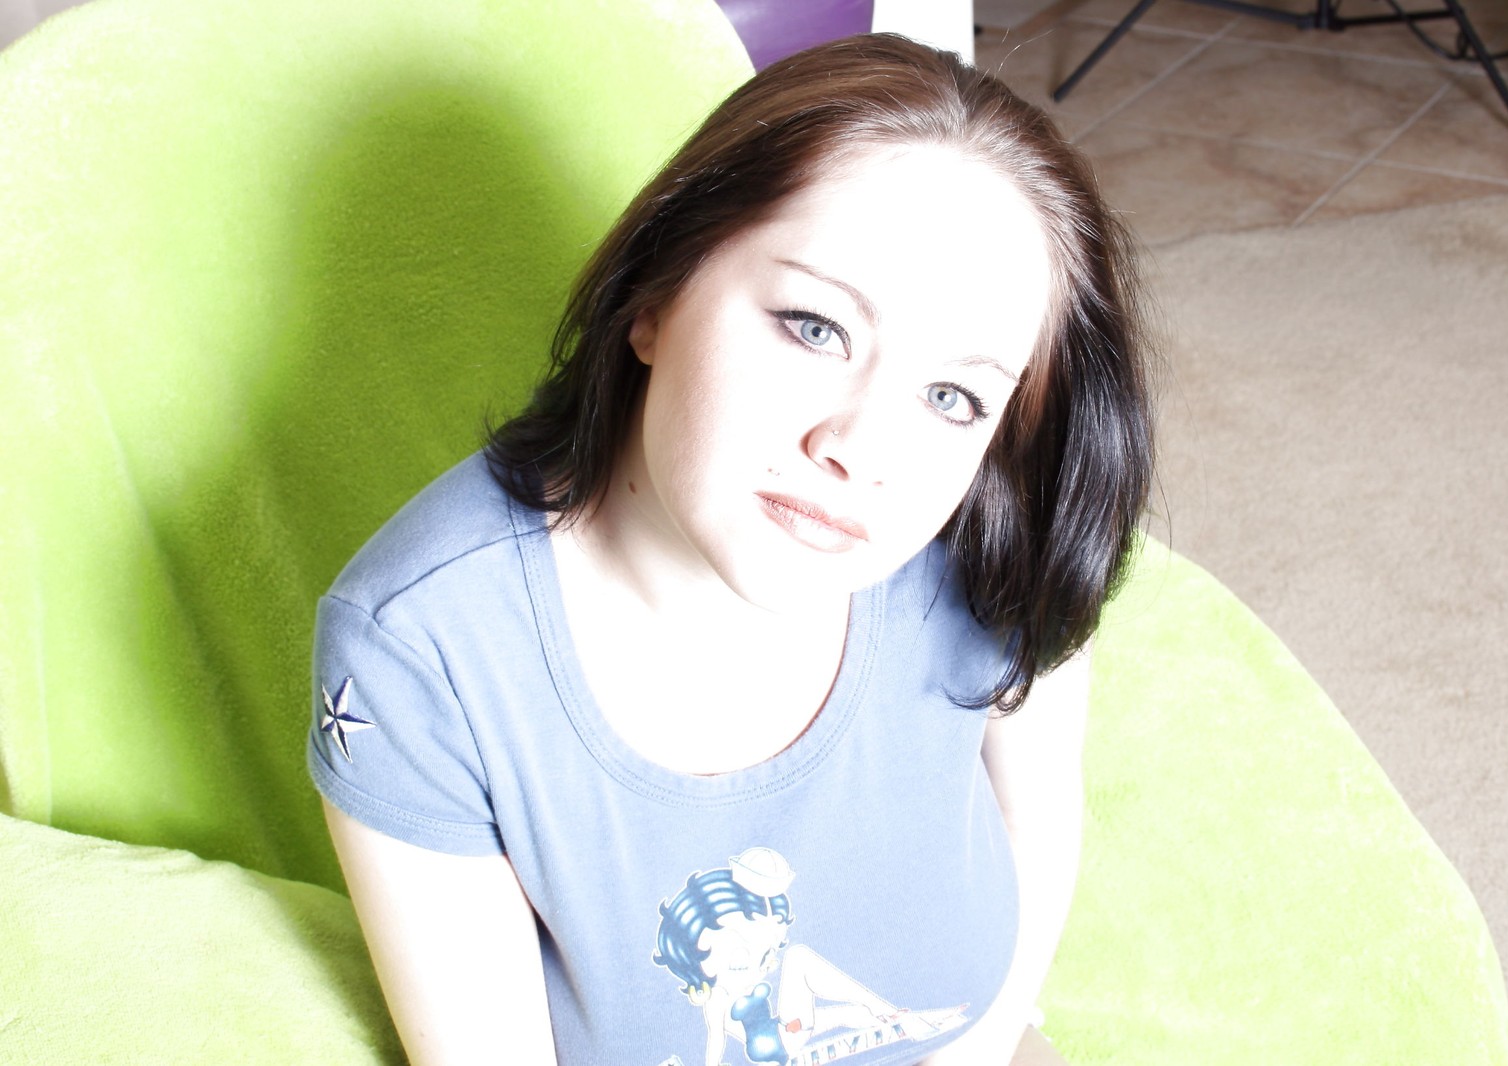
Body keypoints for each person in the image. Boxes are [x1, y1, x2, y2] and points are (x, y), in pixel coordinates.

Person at [309, 31, 1152, 1066]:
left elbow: (1038, 823)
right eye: (814, 327)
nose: (859, 450)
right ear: (655, 293)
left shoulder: (999, 527)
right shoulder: (422, 647)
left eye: (951, 396)